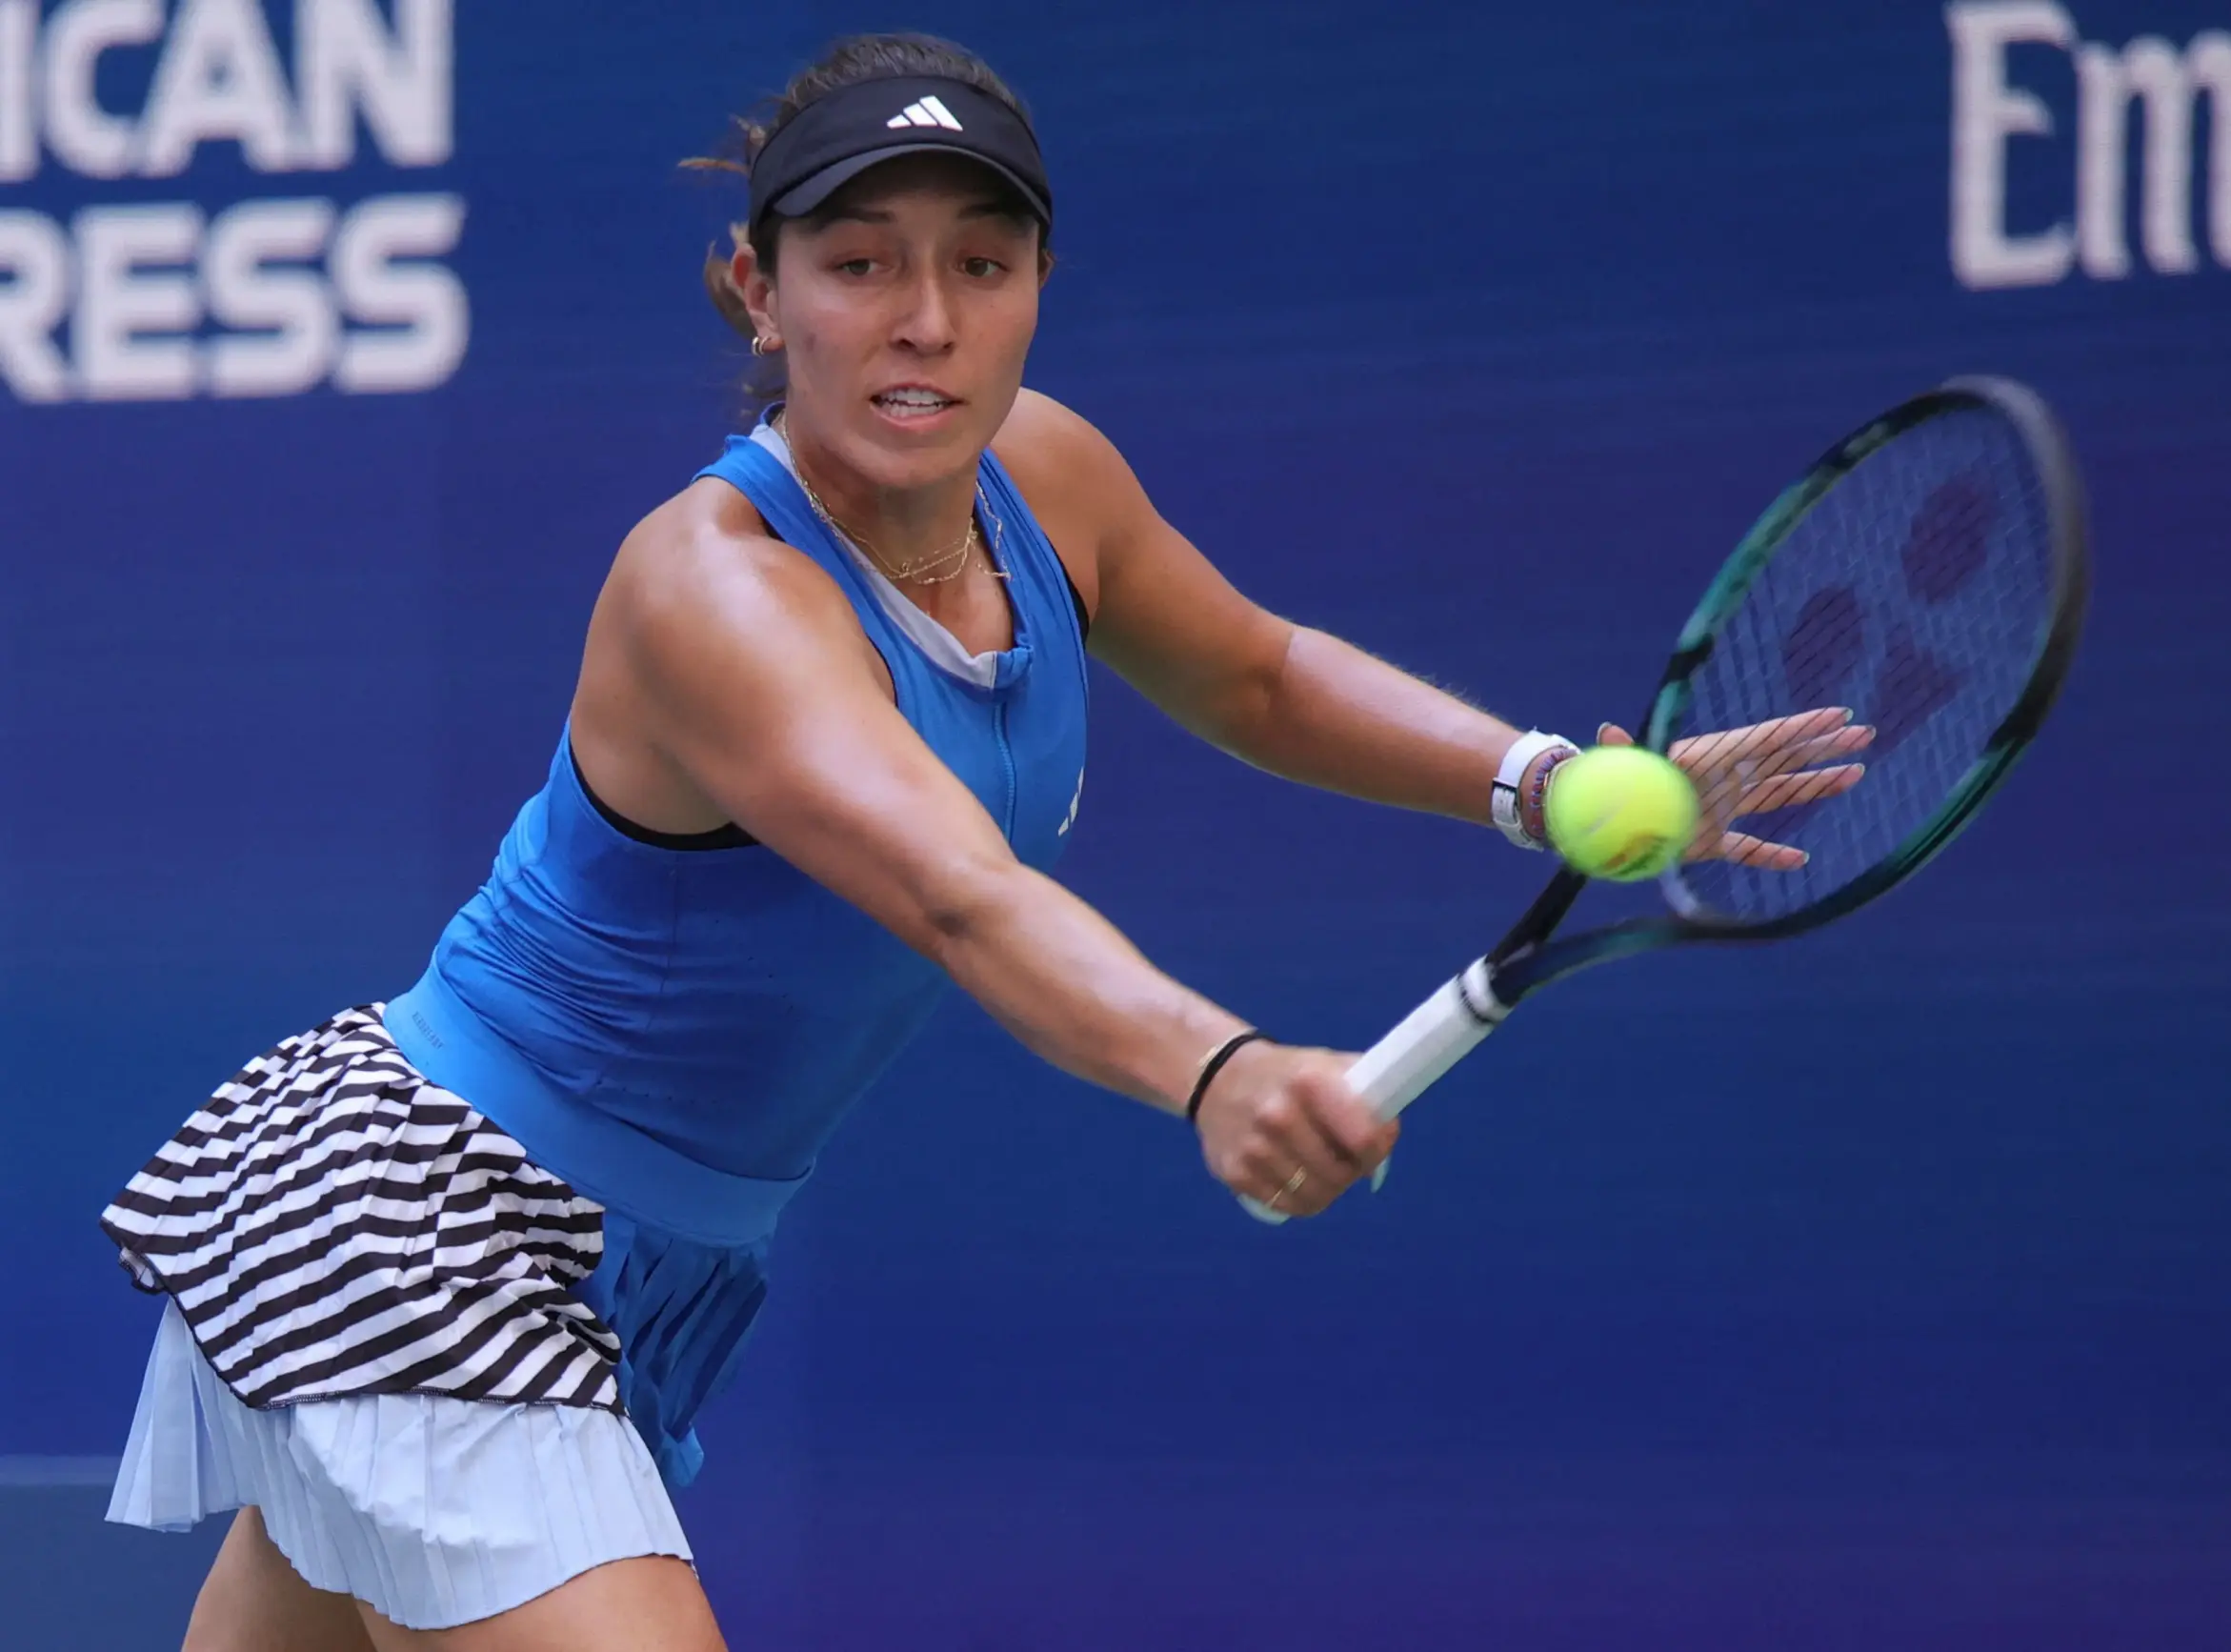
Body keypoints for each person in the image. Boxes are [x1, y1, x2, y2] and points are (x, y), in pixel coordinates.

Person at [94, 31, 1868, 1652]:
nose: (925, 320)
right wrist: (1219, 1067)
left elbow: (1257, 673)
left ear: (1036, 292)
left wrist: (1545, 780)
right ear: (761, 292)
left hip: (635, 1255)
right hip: (436, 1218)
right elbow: (957, 894)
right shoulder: (717, 591)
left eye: (980, 265)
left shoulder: (1053, 480)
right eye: (861, 264)